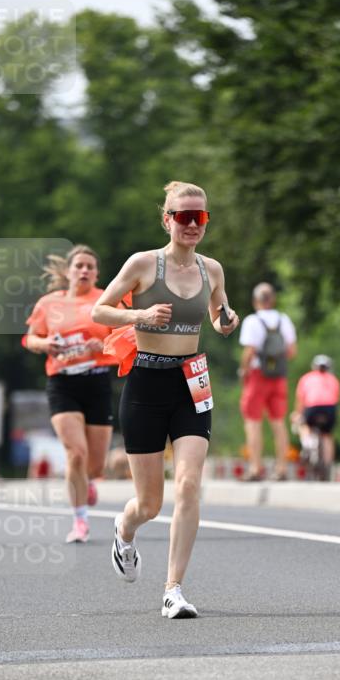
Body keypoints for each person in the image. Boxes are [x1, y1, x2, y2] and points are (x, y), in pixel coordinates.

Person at [92, 181, 239, 619]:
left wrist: (227, 320)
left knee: (189, 484)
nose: (192, 225)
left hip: (192, 382)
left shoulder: (212, 269)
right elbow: (100, 310)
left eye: (200, 217)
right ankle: (124, 528)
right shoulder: (143, 265)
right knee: (150, 504)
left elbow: (218, 314)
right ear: (167, 219)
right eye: (183, 216)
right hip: (146, 384)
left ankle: (173, 588)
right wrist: (138, 314)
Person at [23, 245, 117, 543]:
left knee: (96, 464)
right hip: (62, 383)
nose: (85, 271)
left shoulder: (106, 300)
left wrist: (101, 347)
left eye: (90, 266)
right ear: (68, 271)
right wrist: (46, 343)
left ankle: (88, 480)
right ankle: (79, 521)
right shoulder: (49, 304)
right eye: (79, 266)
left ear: (97, 273)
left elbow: (126, 338)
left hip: (98, 381)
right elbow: (30, 338)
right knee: (75, 453)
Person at [238, 283, 297, 481]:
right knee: (279, 423)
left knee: (253, 422)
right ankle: (281, 468)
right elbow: (291, 351)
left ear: (256, 301)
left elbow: (249, 351)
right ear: (273, 300)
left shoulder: (253, 321)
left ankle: (256, 468)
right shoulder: (284, 320)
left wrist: (243, 370)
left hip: (257, 376)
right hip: (278, 376)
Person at [291, 355, 340, 476]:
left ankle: (308, 443)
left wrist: (297, 413)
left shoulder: (306, 378)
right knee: (327, 435)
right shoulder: (333, 379)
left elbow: (300, 400)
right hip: (330, 409)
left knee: (304, 424)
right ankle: (328, 464)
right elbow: (336, 397)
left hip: (312, 407)